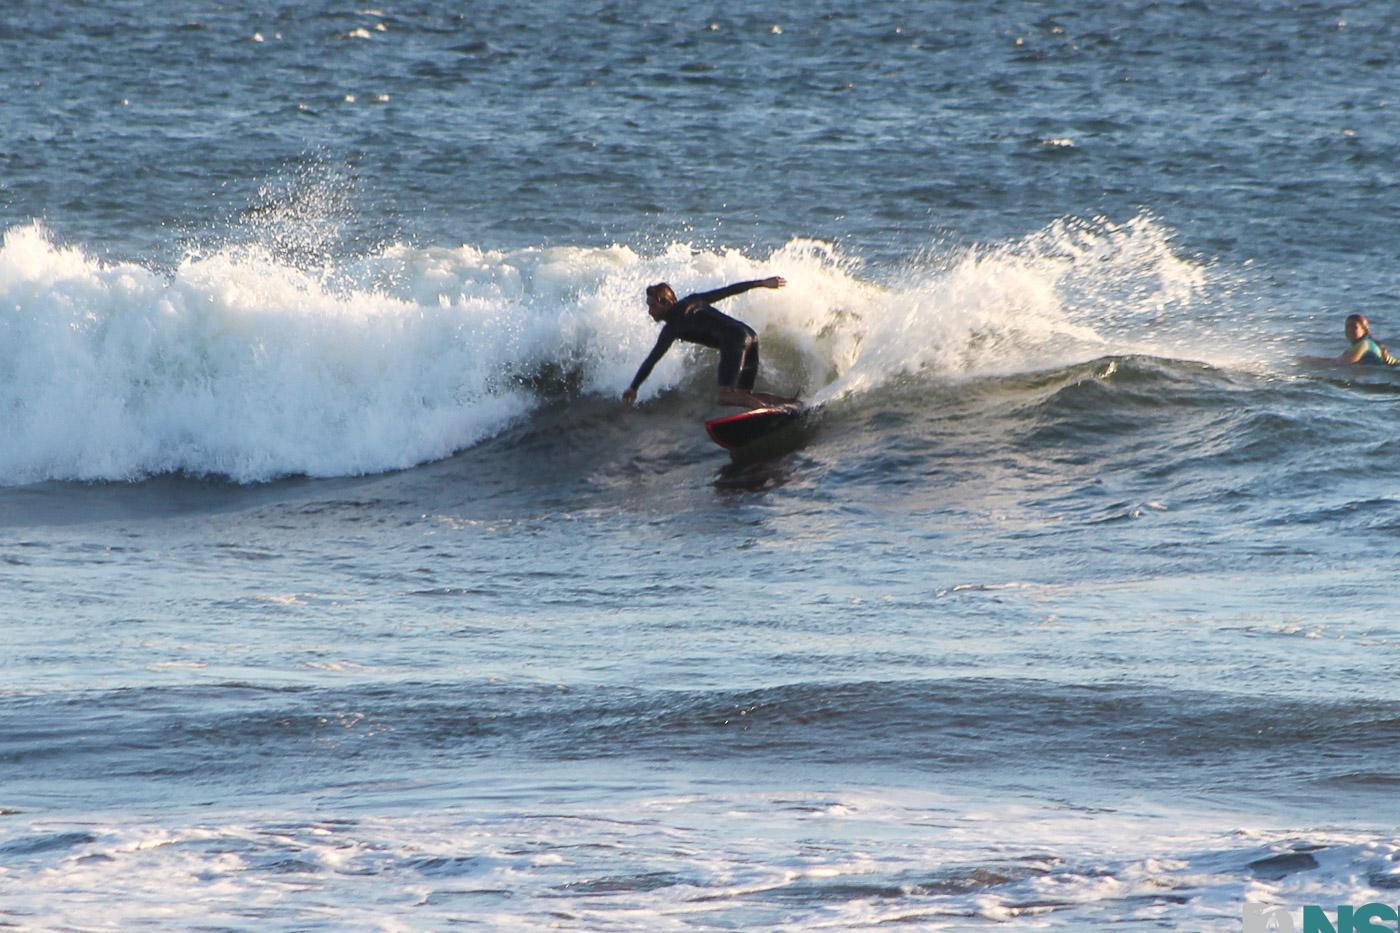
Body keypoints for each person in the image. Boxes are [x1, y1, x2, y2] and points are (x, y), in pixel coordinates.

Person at [621, 276, 799, 409]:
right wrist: (760, 283)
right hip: (750, 335)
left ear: (667, 302)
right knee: (743, 395)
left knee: (725, 395)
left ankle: (768, 411)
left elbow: (651, 360)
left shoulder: (672, 327)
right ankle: (793, 404)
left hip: (734, 339)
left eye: (652, 306)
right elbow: (727, 291)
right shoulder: (693, 300)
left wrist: (634, 387)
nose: (650, 311)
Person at [1336, 313, 1400, 365]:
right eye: (1348, 326)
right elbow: (1339, 361)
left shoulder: (1364, 344)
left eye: (1354, 327)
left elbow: (1345, 362)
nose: (1350, 329)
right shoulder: (1352, 349)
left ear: (1364, 330)